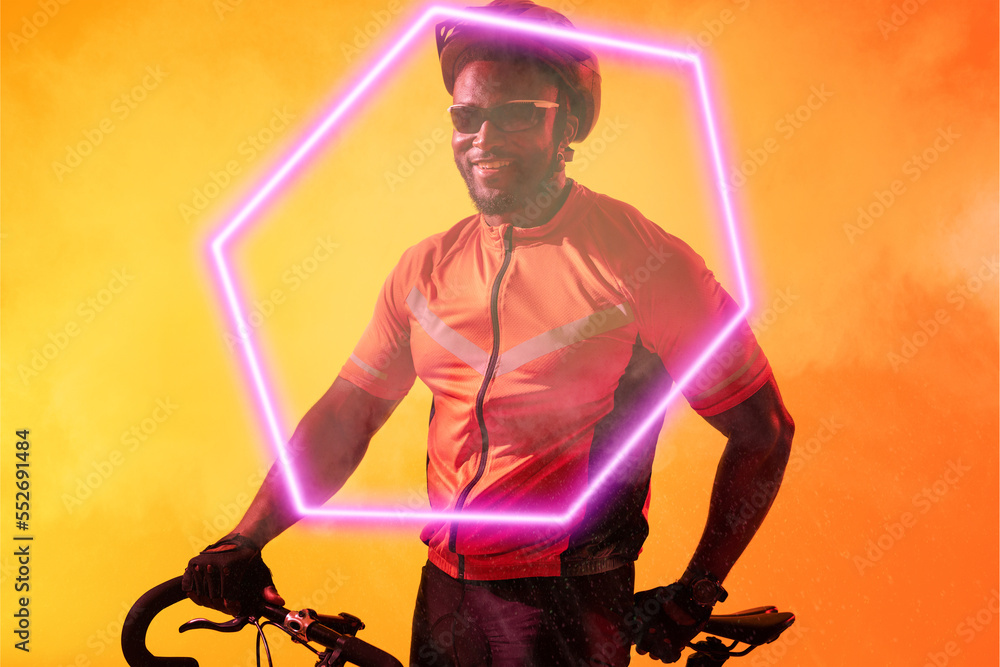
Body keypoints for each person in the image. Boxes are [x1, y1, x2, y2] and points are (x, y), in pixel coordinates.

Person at [182, 1, 795, 665]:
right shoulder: (426, 269)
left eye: (514, 114)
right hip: (446, 592)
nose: (483, 137)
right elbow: (347, 417)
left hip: (571, 601)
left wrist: (693, 594)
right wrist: (247, 537)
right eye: (467, 117)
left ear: (569, 120)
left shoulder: (645, 263)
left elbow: (763, 430)